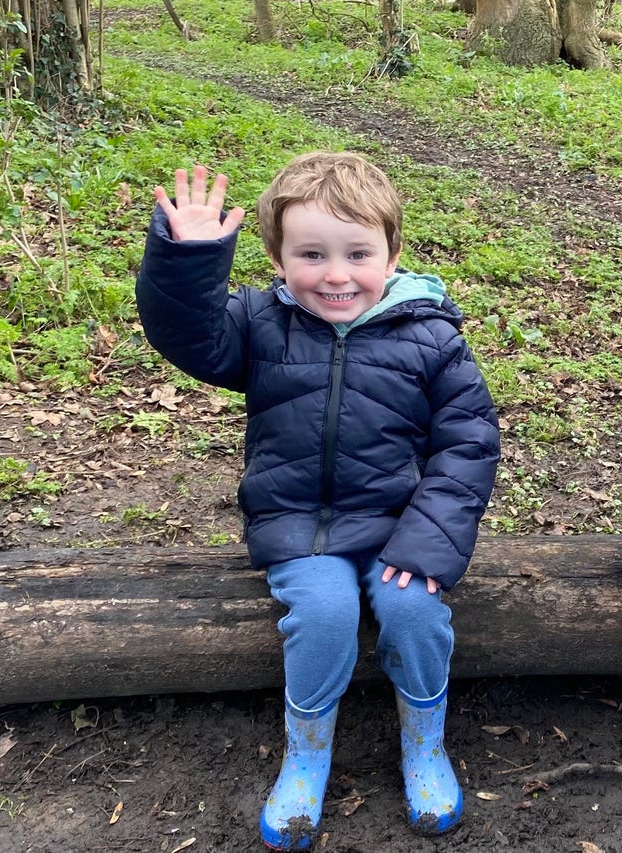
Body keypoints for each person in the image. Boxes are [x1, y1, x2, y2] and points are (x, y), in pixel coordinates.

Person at [136, 151, 500, 850]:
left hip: (400, 527)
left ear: (392, 253)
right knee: (327, 612)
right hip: (298, 525)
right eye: (311, 253)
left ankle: (424, 745)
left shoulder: (431, 337)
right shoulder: (261, 324)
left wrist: (427, 541)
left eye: (357, 252)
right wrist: (191, 259)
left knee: (414, 609)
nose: (336, 274)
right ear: (276, 256)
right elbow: (187, 337)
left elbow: (469, 442)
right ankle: (306, 754)